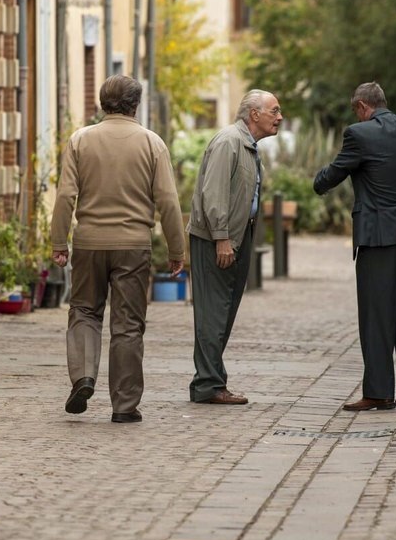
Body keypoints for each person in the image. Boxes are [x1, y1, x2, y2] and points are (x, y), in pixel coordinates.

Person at [50, 75, 186, 424]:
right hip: (133, 245)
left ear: (101, 103)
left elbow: (66, 195)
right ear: (135, 104)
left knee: (83, 310)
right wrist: (176, 250)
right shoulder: (151, 143)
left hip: (89, 242)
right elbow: (168, 201)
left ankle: (83, 375)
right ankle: (124, 406)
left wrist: (58, 241)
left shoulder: (81, 140)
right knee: (127, 325)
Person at [313, 81, 396, 411]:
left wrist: (318, 181)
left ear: (361, 107)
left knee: (376, 316)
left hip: (380, 235)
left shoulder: (359, 134)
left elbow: (334, 174)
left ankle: (379, 392)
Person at [186, 89, 283, 405]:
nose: (279, 117)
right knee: (213, 312)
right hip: (217, 240)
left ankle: (208, 382)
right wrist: (222, 238)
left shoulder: (249, 147)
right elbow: (212, 195)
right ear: (254, 114)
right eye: (274, 111)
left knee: (223, 312)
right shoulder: (229, 141)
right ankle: (209, 385)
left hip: (236, 239)